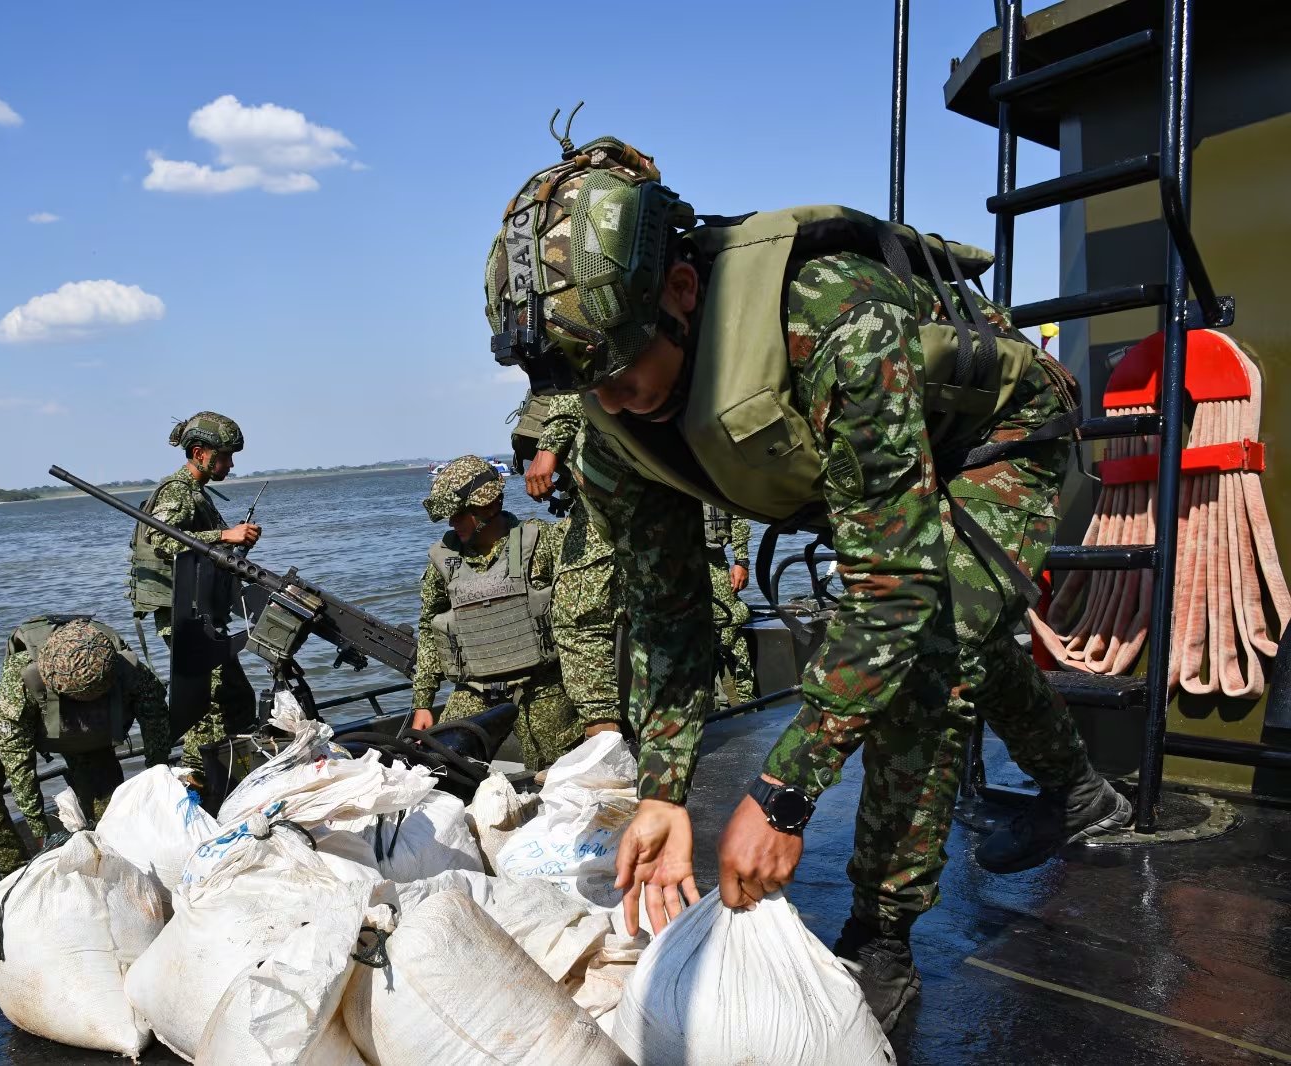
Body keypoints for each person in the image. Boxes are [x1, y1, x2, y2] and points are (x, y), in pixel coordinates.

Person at [483, 134, 1131, 1029]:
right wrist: (663, 789)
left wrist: (783, 795)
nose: (611, 401)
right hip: (884, 452)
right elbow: (670, 617)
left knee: (933, 649)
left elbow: (895, 591)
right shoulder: (613, 429)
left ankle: (881, 935)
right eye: (587, 387)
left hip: (996, 438)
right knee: (961, 623)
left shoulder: (834, 320)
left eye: (622, 372)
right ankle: (1082, 794)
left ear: (681, 291)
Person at [409, 454, 603, 769]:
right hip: (474, 691)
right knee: (441, 768)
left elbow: (582, 614)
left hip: (542, 688)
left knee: (559, 777)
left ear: (486, 507)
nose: (451, 523)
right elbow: (429, 628)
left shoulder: (542, 542)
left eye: (459, 514)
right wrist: (423, 702)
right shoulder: (445, 561)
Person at [0, 616, 170, 876]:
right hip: (31, 716)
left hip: (93, 731)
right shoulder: (20, 678)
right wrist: (39, 829)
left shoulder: (130, 671)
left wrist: (159, 786)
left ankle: (106, 868)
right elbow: (17, 759)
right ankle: (15, 871)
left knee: (110, 819)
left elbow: (156, 727)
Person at [127, 411, 261, 775]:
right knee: (211, 701)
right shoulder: (177, 491)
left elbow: (203, 549)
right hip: (183, 616)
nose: (230, 464)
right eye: (225, 456)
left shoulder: (196, 494)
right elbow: (162, 538)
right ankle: (199, 776)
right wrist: (224, 535)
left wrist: (234, 542)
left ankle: (221, 772)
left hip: (199, 611)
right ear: (200, 453)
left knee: (231, 697)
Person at [519, 391, 629, 735]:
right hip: (651, 478)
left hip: (610, 491)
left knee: (579, 619)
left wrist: (548, 450)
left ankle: (606, 748)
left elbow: (577, 377)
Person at [703, 504, 756, 706]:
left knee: (730, 624)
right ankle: (709, 706)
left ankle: (745, 704)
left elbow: (736, 511)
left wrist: (741, 561)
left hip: (714, 561)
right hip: (672, 564)